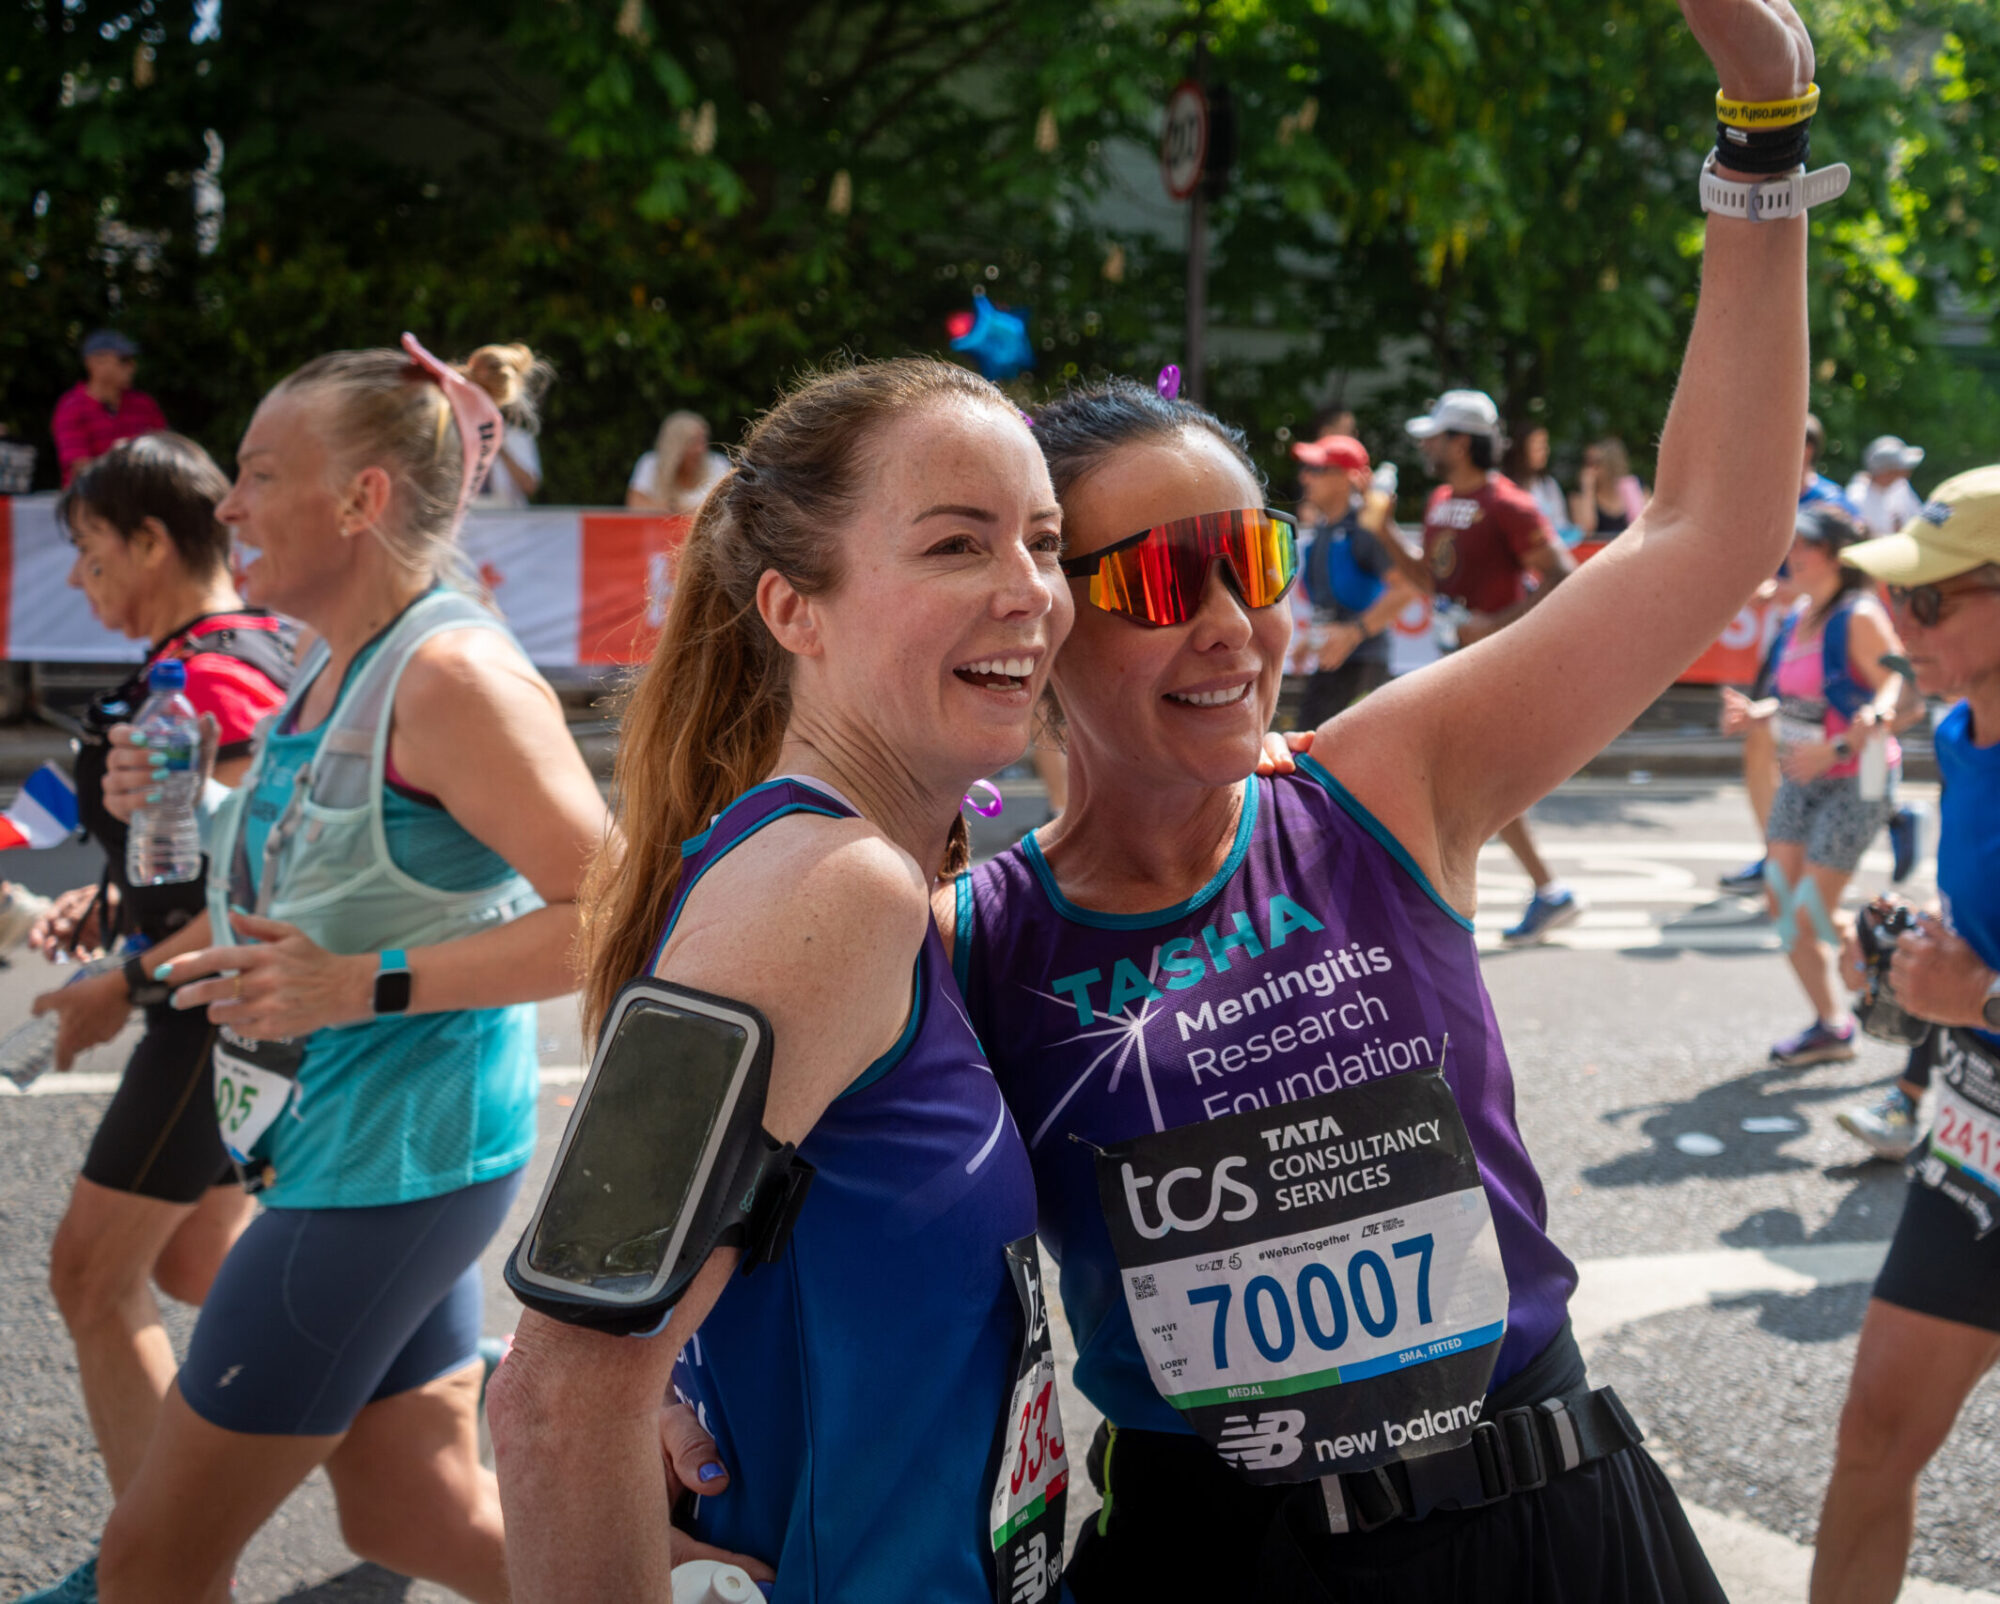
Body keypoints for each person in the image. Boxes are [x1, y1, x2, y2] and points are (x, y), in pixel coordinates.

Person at [946, 2, 1811, 1591]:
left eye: (1253, 558)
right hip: (1223, 1554)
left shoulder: (1377, 788)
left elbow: (1709, 526)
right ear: (1044, 613)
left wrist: (1765, 125)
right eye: (1160, 574)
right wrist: (669, 1390)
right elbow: (829, 1206)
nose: (1229, 622)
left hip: (1541, 1519)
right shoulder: (967, 939)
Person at [22, 338, 609, 1604]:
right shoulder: (337, 657)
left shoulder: (447, 672)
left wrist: (363, 985)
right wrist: (185, 808)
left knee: (150, 1562)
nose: (225, 507)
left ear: (363, 499)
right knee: (416, 1508)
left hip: (381, 1170)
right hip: (370, 1152)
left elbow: (611, 910)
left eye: (256, 470)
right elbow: (328, 858)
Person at [489, 358, 1070, 1601]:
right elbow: (551, 1400)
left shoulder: (855, 870)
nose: (1029, 591)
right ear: (793, 611)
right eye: (958, 546)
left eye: (1043, 540)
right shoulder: (828, 890)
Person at [26, 434, 295, 1517]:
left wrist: (122, 982)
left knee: (90, 1277)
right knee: (197, 1263)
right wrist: (119, 901)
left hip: (210, 1014)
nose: (84, 582)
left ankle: (160, 1561)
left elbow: (266, 882)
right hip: (219, 1003)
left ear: (152, 538)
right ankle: (401, 1371)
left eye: (94, 553)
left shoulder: (217, 680)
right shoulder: (252, 648)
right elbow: (195, 852)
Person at [1811, 465, 2000, 1604]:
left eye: (1926, 603)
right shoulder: (1955, 727)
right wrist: (1905, 960)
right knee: (1872, 1432)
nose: (1896, 625)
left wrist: (1971, 1000)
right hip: (1978, 1132)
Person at [1724, 506, 1907, 1068]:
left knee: (1807, 914)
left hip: (1864, 775)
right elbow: (1808, 695)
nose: (1789, 555)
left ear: (1833, 556)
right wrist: (1762, 713)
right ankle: (1833, 1025)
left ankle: (1901, 952)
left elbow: (1900, 683)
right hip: (1804, 775)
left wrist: (1847, 742)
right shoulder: (1799, 615)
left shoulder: (1859, 615)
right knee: (1782, 905)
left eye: (1801, 544)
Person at [1401, 387, 1583, 945]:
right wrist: (1377, 526)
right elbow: (1428, 580)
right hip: (1455, 660)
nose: (1427, 444)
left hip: (1496, 664)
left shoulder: (1510, 504)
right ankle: (1538, 892)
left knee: (1470, 784)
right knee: (1463, 784)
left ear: (1460, 442)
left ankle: (1532, 893)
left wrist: (1494, 623)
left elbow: (1565, 576)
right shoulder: (1438, 500)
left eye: (1436, 435)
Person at [1717, 412, 1863, 895]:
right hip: (1790, 635)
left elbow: (1846, 572)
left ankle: (1888, 814)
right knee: (1765, 739)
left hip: (1824, 636)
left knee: (1826, 739)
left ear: (1805, 451)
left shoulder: (1832, 506)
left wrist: (1783, 591)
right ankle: (1775, 854)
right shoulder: (1772, 498)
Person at [1290, 432, 1419, 725]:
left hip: (1363, 669)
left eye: (1318, 470)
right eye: (1306, 469)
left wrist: (1354, 633)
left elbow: (1410, 587)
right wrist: (1311, 640)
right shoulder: (1325, 528)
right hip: (1331, 663)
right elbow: (1331, 605)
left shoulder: (1365, 528)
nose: (1306, 478)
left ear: (1348, 477)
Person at [51, 333, 168, 487]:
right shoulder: (71, 407)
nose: (132, 367)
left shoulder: (144, 404)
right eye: (124, 360)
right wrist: (123, 456)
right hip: (92, 504)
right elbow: (81, 470)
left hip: (144, 501)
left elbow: (167, 454)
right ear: (95, 363)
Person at [463, 342, 552, 509]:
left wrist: (499, 447)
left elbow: (529, 486)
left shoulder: (517, 437)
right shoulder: (458, 432)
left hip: (509, 529)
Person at [626, 410, 729, 513]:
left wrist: (670, 508)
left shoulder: (718, 464)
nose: (700, 449)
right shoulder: (650, 463)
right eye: (693, 442)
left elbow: (725, 508)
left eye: (702, 441)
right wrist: (678, 508)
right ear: (675, 446)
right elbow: (635, 505)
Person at [1845, 435, 1926, 537]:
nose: (1907, 472)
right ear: (1886, 471)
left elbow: (1920, 520)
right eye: (1900, 468)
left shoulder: (1901, 486)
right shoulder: (1857, 497)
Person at [1569, 437, 1648, 538]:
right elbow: (1586, 530)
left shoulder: (1636, 488)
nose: (1589, 469)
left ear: (1611, 465)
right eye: (1586, 463)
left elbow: (1648, 526)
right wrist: (1588, 490)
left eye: (1594, 463)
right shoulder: (1579, 496)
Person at [1507, 423, 1568, 534]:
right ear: (1522, 448)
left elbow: (1561, 525)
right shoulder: (1505, 486)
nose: (1545, 451)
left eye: (1545, 446)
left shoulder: (1549, 485)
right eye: (1539, 446)